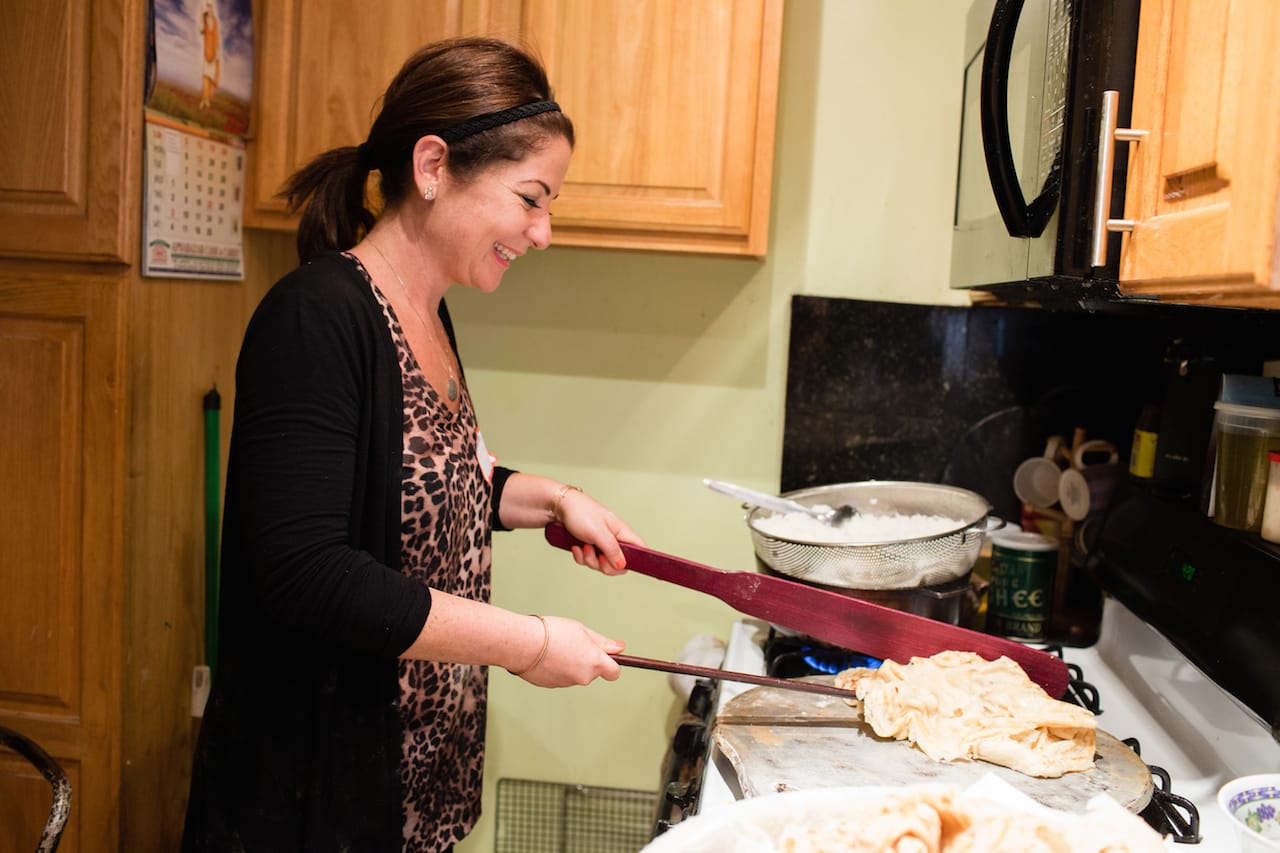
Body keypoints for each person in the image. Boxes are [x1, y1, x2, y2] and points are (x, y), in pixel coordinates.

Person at [181, 37, 644, 853]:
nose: (543, 232)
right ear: (433, 166)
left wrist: (557, 501)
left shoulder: (427, 313)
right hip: (310, 801)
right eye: (531, 198)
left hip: (415, 788)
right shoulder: (319, 317)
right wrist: (531, 643)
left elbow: (440, 474)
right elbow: (308, 573)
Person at [197, 0, 221, 110]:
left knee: (211, 77)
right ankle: (204, 100)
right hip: (207, 53)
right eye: (208, 6)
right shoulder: (205, 20)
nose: (210, 9)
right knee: (205, 76)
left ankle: (208, 101)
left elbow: (217, 37)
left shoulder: (215, 21)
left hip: (215, 53)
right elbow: (201, 30)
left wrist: (217, 53)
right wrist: (202, 15)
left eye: (211, 6)